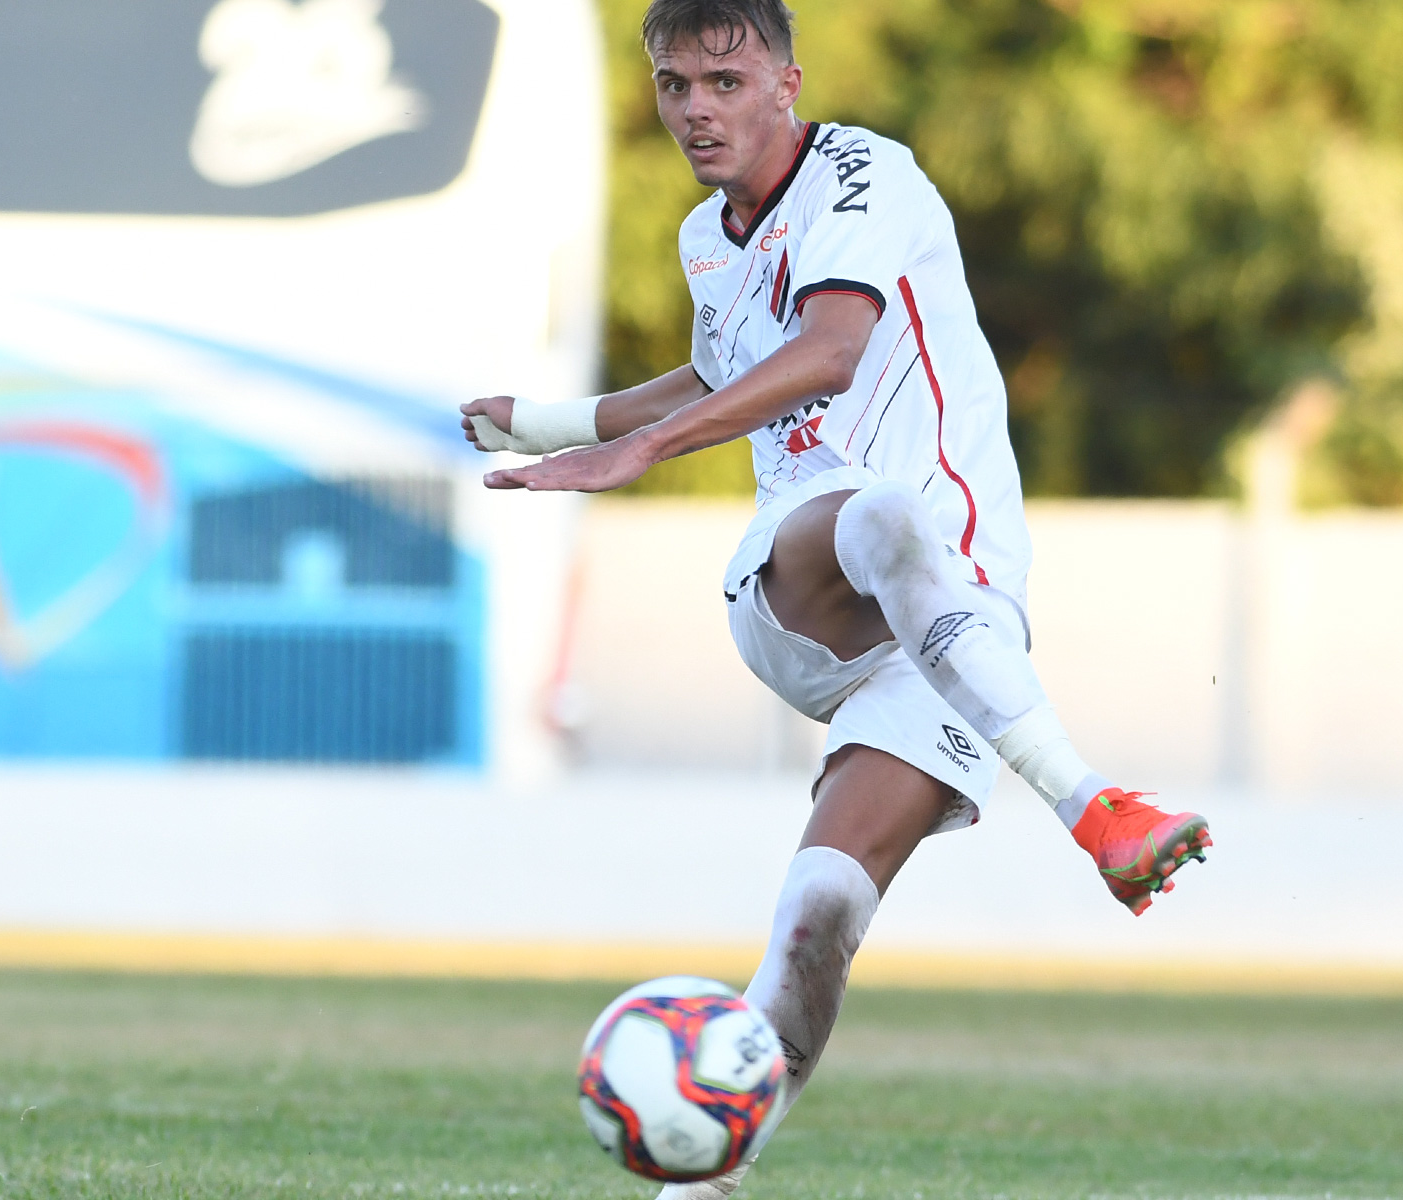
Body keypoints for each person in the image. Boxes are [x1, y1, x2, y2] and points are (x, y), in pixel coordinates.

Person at [459, 1, 1215, 1194]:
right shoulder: (708, 238)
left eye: (724, 80)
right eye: (673, 85)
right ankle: (1096, 812)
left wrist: (623, 452)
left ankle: (702, 1176)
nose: (696, 109)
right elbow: (725, 372)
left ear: (787, 83)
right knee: (879, 513)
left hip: (957, 634)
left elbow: (829, 349)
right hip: (802, 583)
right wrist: (551, 425)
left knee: (819, 914)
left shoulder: (868, 175)